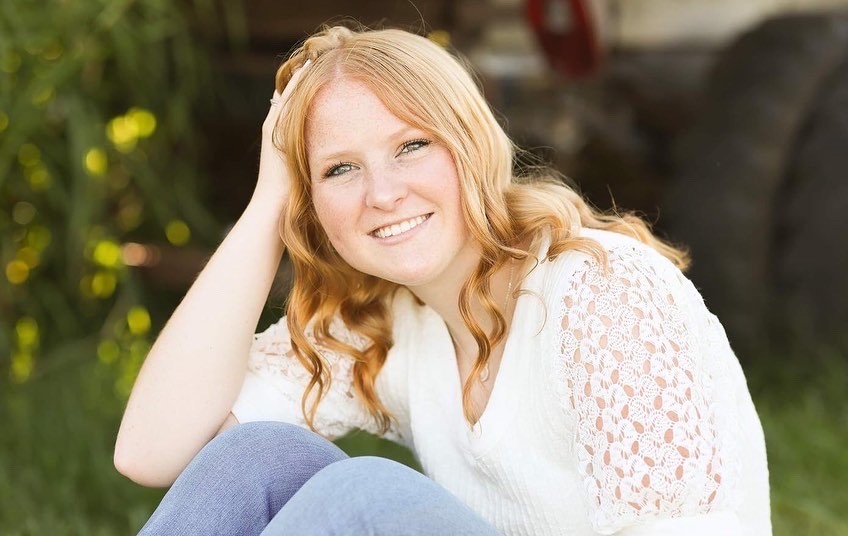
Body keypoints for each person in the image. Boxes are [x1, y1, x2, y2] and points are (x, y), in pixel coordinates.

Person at [114, 25, 771, 536]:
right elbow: (150, 452)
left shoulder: (603, 290)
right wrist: (266, 204)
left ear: (470, 144)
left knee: (366, 497)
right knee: (256, 454)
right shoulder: (385, 323)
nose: (383, 193)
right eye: (340, 169)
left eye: (411, 146)